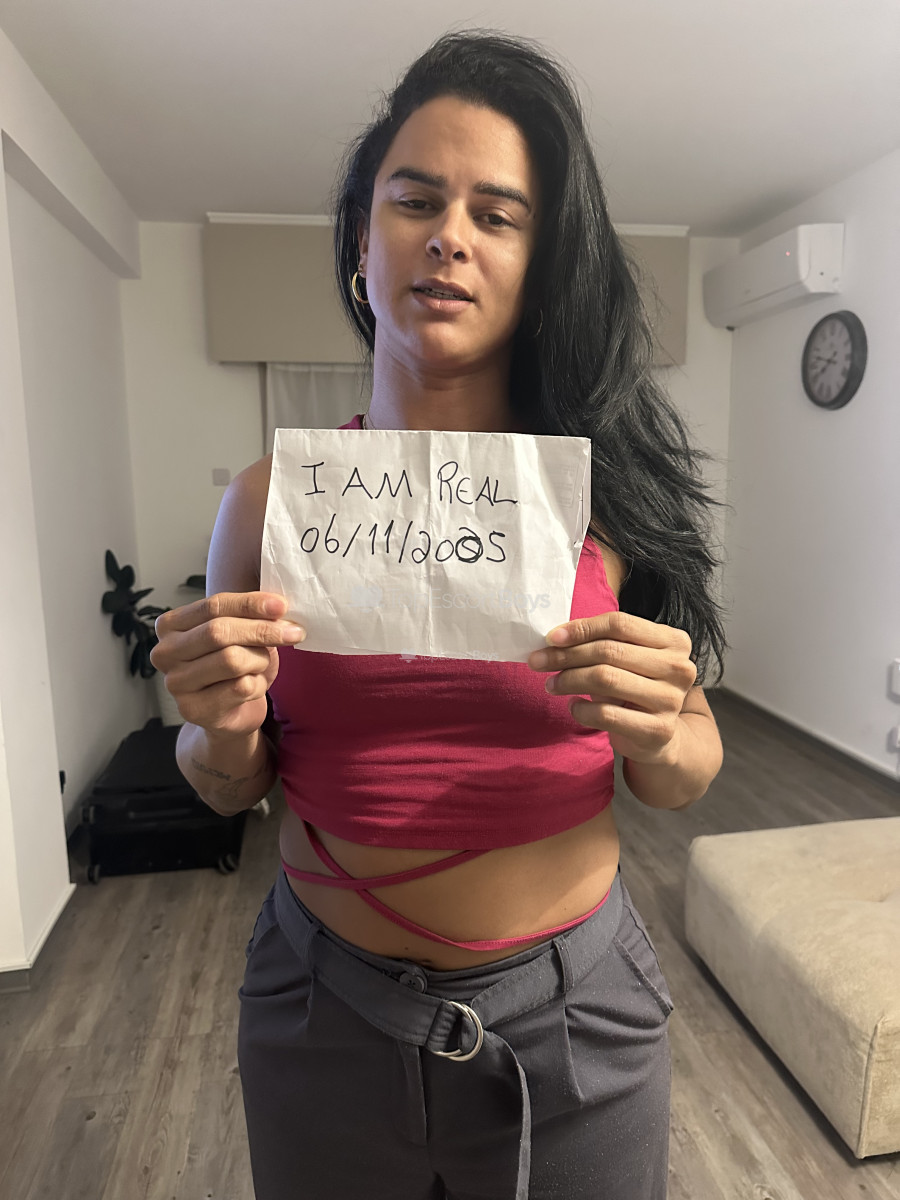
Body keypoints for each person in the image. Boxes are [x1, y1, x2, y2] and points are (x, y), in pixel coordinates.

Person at [151, 29, 727, 1200]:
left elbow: (683, 772)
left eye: (496, 215)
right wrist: (216, 729)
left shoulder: (607, 503)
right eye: (415, 200)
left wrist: (665, 729)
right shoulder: (268, 503)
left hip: (573, 1027)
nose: (450, 235)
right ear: (363, 244)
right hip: (321, 1014)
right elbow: (228, 783)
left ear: (538, 266)